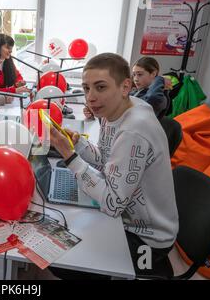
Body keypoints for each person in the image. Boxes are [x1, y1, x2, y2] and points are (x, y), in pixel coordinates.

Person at [49, 53, 178, 278]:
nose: (90, 97)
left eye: (100, 87)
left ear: (125, 86)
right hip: (127, 218)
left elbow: (112, 204)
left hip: (148, 240)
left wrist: (69, 157)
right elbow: (105, 159)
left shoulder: (133, 130)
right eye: (86, 88)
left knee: (58, 258)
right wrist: (78, 145)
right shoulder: (117, 109)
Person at [83, 56, 168, 119]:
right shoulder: (134, 92)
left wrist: (159, 79)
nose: (135, 79)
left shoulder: (160, 99)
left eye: (140, 74)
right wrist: (95, 110)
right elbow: (116, 107)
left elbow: (152, 98)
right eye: (134, 74)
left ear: (153, 74)